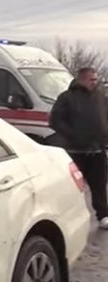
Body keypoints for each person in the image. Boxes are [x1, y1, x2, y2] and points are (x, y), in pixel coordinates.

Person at [49, 66, 108, 228]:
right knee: (73, 186)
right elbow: (54, 120)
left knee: (99, 185)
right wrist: (73, 135)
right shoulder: (67, 98)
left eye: (96, 80)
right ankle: (68, 218)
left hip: (97, 150)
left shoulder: (100, 97)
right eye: (92, 80)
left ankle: (103, 215)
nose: (95, 83)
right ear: (81, 79)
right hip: (75, 151)